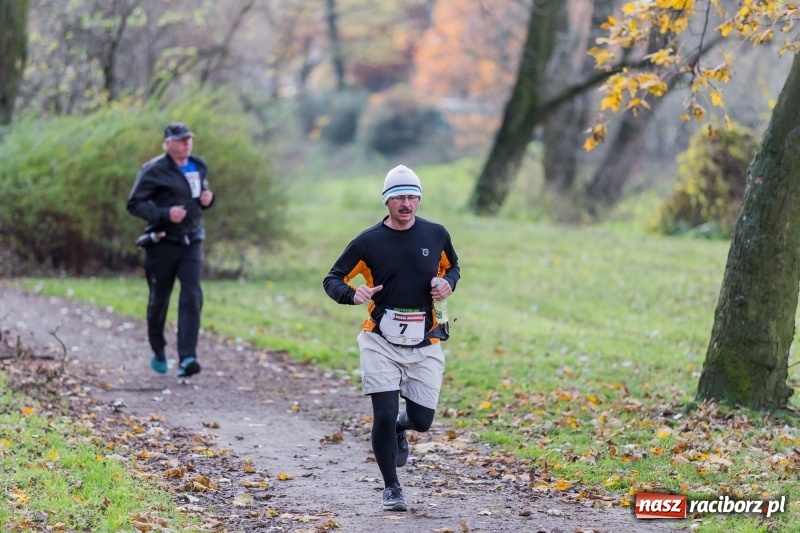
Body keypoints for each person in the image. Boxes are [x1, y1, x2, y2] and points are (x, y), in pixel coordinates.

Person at [323, 165, 460, 512]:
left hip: (426, 340)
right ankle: (392, 488)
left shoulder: (436, 234)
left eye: (412, 197)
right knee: (382, 414)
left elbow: (452, 267)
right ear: (386, 201)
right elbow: (333, 278)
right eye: (399, 197)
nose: (406, 204)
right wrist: (352, 294)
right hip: (380, 340)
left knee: (422, 421)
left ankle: (403, 426)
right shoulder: (368, 242)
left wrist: (448, 284)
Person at [127, 122, 215, 378]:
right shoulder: (153, 170)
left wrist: (208, 200)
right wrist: (165, 213)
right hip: (162, 242)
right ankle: (158, 350)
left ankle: (188, 357)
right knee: (159, 299)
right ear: (167, 144)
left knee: (192, 295)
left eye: (189, 139)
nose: (186, 143)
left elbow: (199, 197)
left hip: (191, 240)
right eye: (180, 140)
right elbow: (134, 204)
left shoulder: (199, 165)